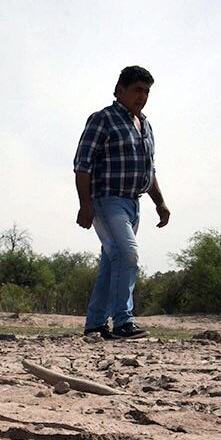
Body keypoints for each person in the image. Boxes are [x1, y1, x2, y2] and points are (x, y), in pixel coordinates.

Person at [73, 65, 170, 340]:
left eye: (147, 91)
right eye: (137, 90)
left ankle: (95, 324)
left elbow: (149, 170)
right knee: (128, 254)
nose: (142, 96)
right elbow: (83, 165)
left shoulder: (146, 126)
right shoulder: (102, 119)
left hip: (133, 203)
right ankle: (123, 321)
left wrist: (160, 203)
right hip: (106, 199)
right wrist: (85, 204)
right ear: (119, 90)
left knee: (112, 261)